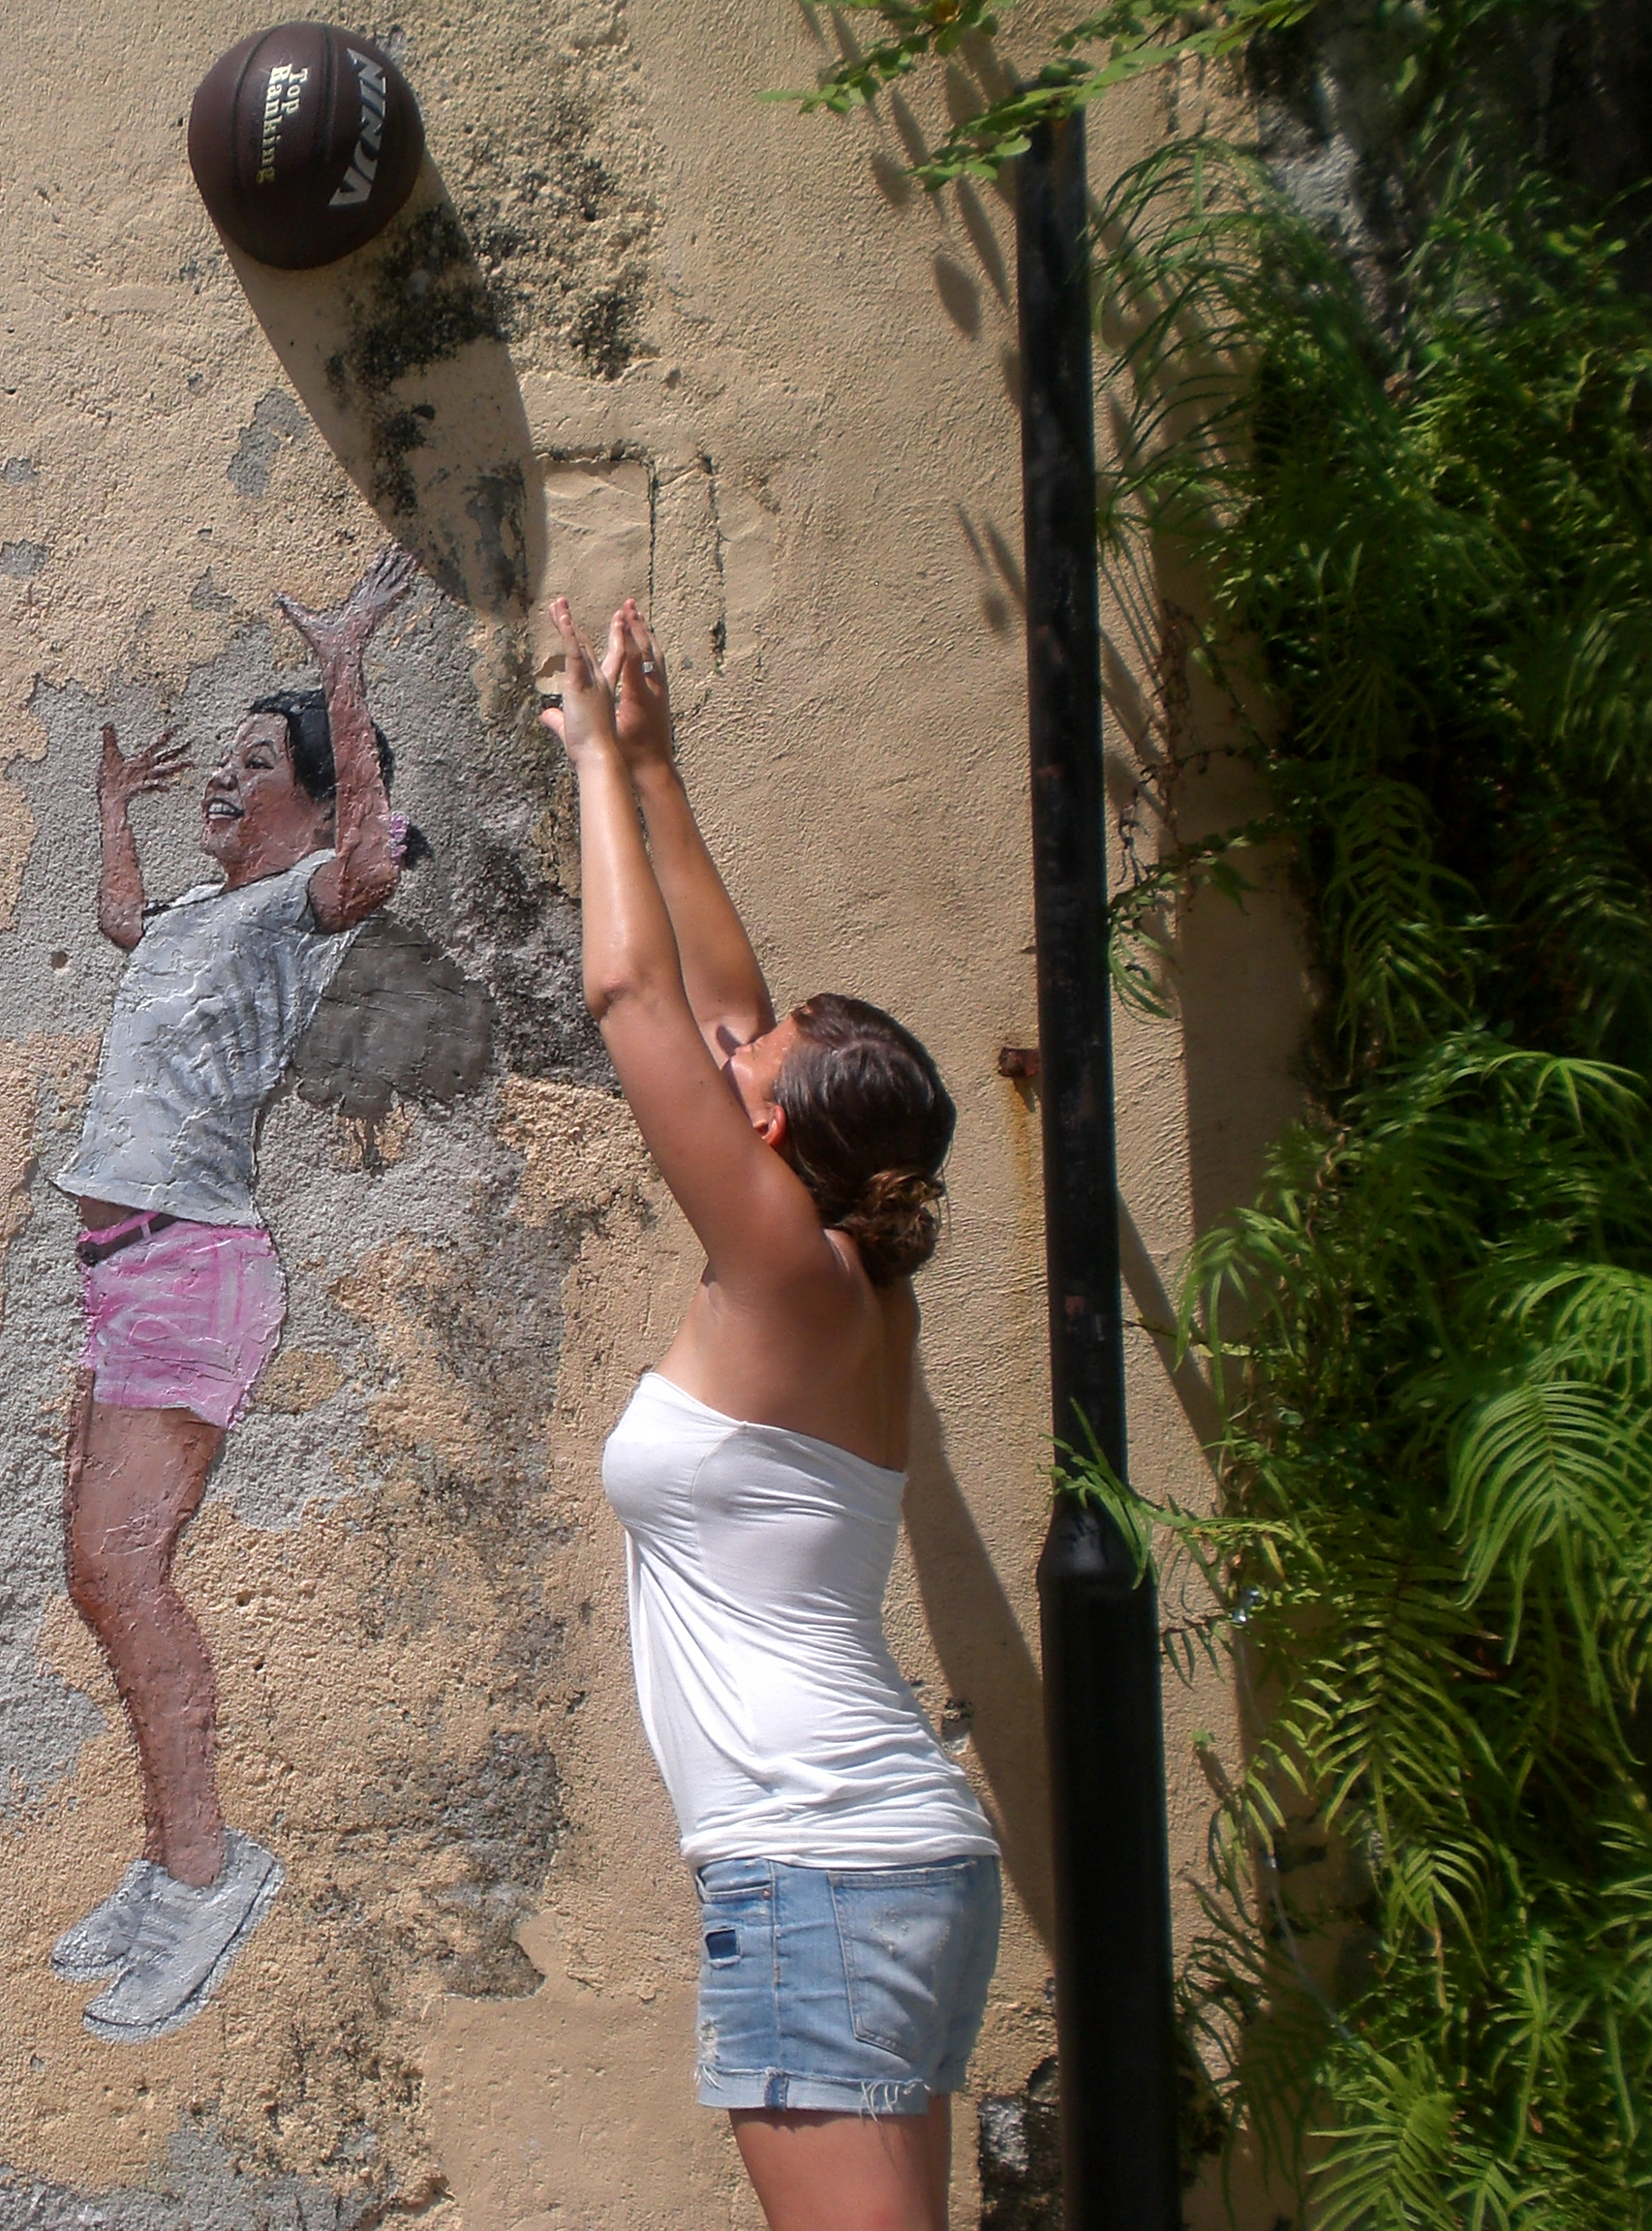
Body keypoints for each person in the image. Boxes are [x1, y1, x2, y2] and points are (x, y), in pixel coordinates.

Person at [544, 596, 999, 2231]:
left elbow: (634, 999)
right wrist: (659, 769)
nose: (736, 1052)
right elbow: (722, 1012)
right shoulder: (842, 1280)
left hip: (816, 1861)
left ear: (779, 1130)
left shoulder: (793, 1273)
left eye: (761, 1065)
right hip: (873, 1852)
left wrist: (589, 762)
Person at [50, 543, 431, 2043]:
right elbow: (120, 924)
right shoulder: (202, 921)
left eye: (258, 760)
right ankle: (168, 1864)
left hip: (191, 1268)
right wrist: (108, 812)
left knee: (119, 1575)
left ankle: (207, 1874)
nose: (226, 769)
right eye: (231, 751)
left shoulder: (294, 910)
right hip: (121, 1272)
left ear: (312, 788)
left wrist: (344, 667)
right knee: (104, 1578)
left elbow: (377, 855)